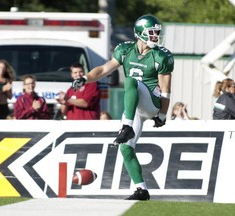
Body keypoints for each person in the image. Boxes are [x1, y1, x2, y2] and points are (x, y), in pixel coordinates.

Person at [72, 14, 174, 200]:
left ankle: (126, 127)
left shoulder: (161, 55)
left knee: (130, 81)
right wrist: (85, 79)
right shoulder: (125, 50)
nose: (156, 37)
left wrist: (162, 115)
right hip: (134, 107)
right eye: (152, 33)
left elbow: (166, 90)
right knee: (126, 148)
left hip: (151, 102)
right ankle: (141, 189)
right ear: (140, 33)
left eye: (157, 33)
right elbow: (103, 69)